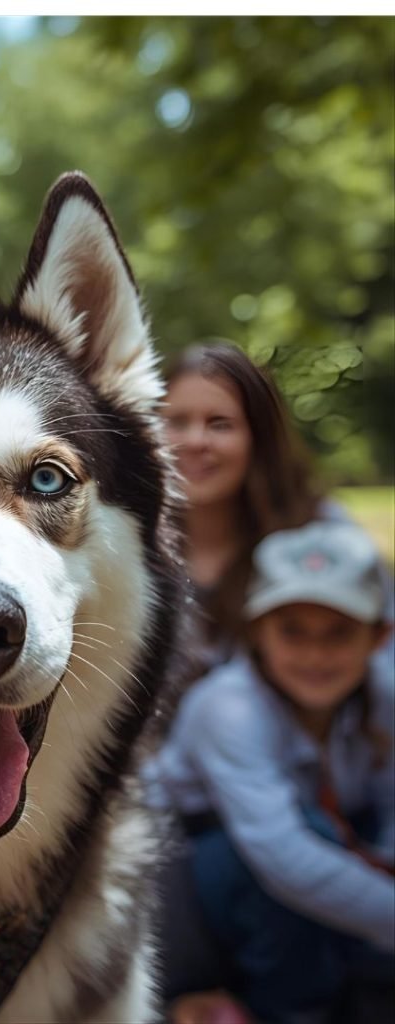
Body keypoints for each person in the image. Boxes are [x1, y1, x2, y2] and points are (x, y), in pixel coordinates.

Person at [148, 520, 395, 1024]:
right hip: (194, 882)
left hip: (311, 864)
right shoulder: (228, 707)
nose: (315, 654)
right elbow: (283, 855)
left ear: (378, 637)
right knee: (300, 846)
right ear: (256, 632)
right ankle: (289, 1008)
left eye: (339, 633)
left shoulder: (384, 693)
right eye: (292, 631)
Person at [162, 340, 324, 676]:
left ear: (259, 438)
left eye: (219, 423)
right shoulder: (122, 543)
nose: (195, 441)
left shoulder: (320, 539)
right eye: (177, 422)